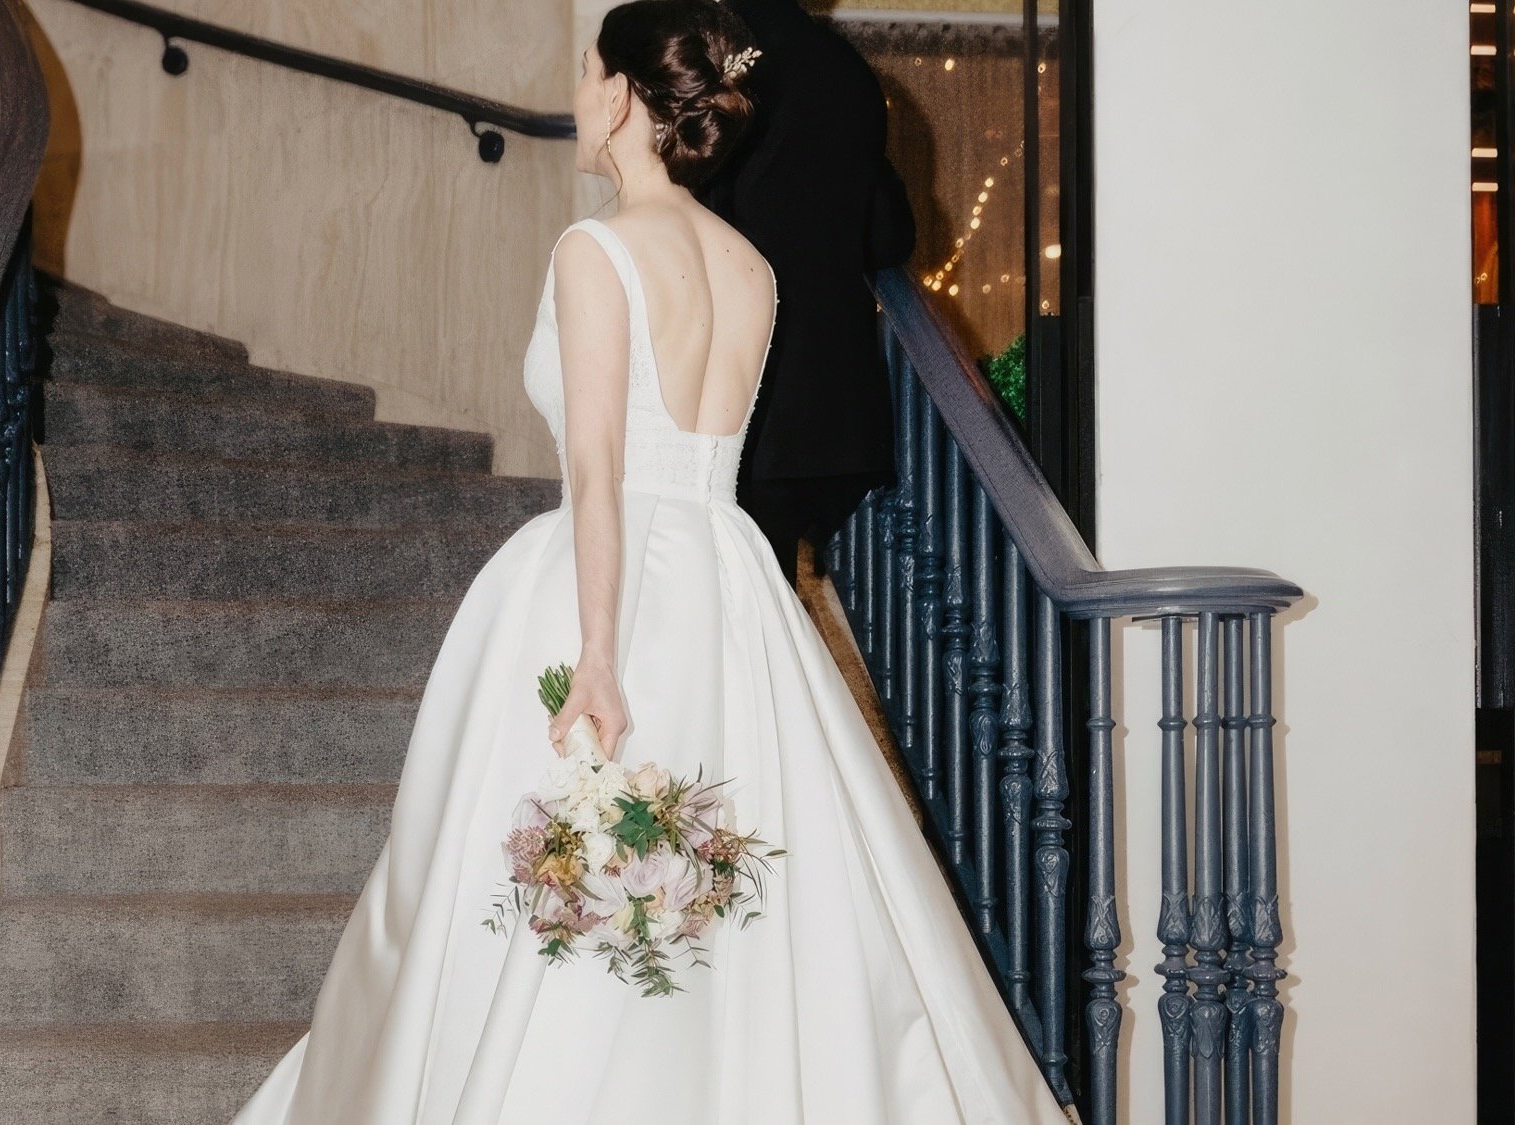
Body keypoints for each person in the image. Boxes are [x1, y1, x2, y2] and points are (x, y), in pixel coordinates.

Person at [233, 3, 1068, 1121]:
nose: (575, 100)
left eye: (584, 77)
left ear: (624, 96)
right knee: (753, 880)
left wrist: (596, 657)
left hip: (610, 575)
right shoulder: (750, 266)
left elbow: (597, 459)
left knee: (544, 886)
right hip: (731, 578)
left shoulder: (595, 249)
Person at [703, 0, 915, 578]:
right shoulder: (849, 70)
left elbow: (700, 212)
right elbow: (891, 237)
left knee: (734, 603)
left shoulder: (716, 58)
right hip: (836, 406)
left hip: (748, 394)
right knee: (766, 600)